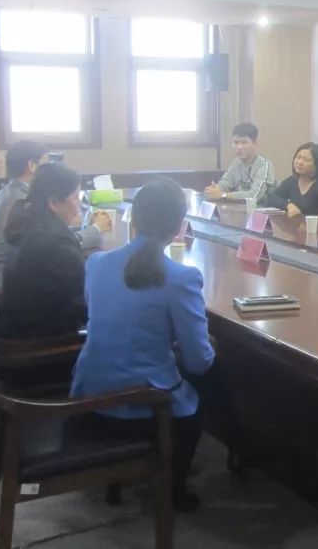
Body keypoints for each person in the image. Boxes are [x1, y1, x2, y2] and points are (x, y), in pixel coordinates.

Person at [71, 179, 214, 512]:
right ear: (179, 227)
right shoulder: (181, 278)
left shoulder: (96, 263)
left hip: (88, 392)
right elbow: (199, 361)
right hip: (143, 403)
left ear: (132, 220)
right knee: (209, 392)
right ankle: (174, 489)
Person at [0, 142, 111, 294]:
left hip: (9, 276)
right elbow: (53, 245)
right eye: (47, 161)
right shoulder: (19, 200)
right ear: (32, 166)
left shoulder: (16, 193)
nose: (53, 166)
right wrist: (96, 229)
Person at [0, 162, 89, 340]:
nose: (79, 205)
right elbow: (85, 303)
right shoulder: (55, 244)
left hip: (16, 330)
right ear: (53, 203)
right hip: (39, 346)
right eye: (76, 198)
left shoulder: (27, 220)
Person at [262, 142, 318, 218]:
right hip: (293, 226)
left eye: (306, 160)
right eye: (298, 157)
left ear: (316, 165)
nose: (299, 162)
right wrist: (288, 205)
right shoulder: (292, 181)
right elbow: (272, 199)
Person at [203, 123, 277, 201]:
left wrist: (223, 195)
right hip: (240, 207)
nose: (239, 147)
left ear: (255, 143)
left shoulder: (265, 165)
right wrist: (214, 190)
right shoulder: (236, 163)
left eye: (244, 142)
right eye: (236, 142)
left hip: (263, 207)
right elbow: (225, 183)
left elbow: (255, 195)